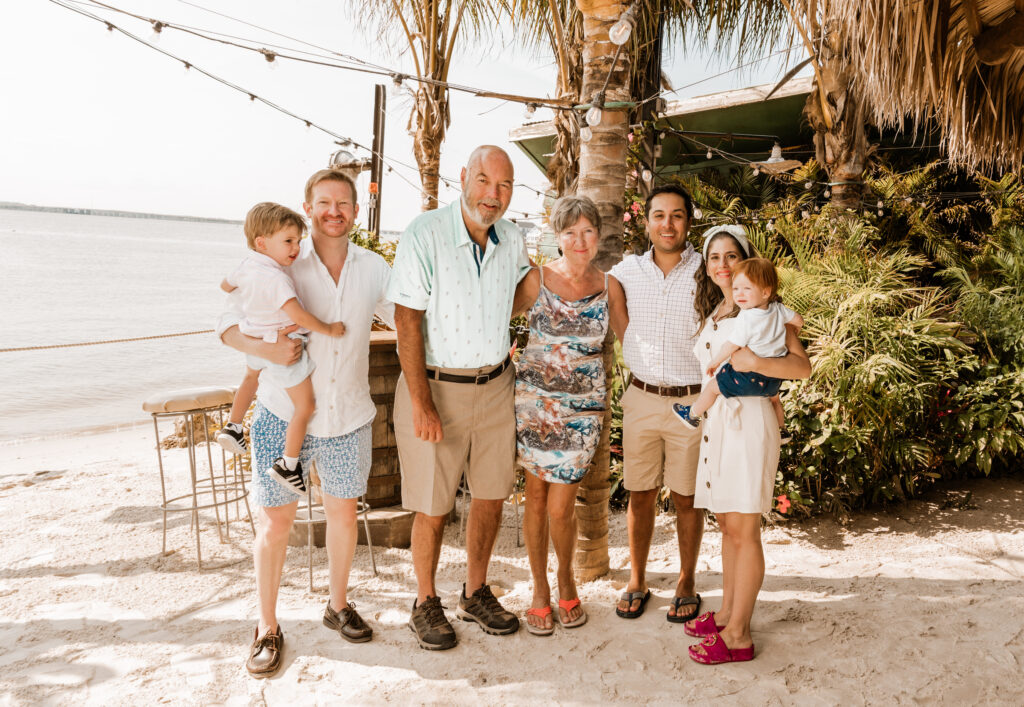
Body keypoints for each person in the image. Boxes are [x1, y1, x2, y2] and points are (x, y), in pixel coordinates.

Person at [217, 169, 394, 678]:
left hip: (351, 414)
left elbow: (409, 313)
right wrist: (263, 347)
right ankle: (267, 626)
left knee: (342, 516)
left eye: (343, 203)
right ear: (308, 206)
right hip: (279, 411)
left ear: (356, 212)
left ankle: (337, 606)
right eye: (323, 202)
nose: (333, 210)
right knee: (275, 525)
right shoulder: (281, 260)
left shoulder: (375, 267)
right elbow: (224, 324)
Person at [388, 145, 530, 650]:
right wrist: (421, 403)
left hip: (496, 386)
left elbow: (523, 290)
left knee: (491, 496)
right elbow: (407, 320)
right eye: (485, 181)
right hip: (436, 387)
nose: (494, 195)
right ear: (463, 178)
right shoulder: (424, 233)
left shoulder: (512, 239)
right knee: (431, 506)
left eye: (506, 185)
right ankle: (425, 601)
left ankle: (474, 591)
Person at [683, 226, 810, 665]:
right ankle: (725, 613)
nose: (723, 264)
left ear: (746, 260)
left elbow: (801, 367)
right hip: (719, 424)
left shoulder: (766, 310)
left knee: (745, 529)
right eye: (714, 257)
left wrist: (756, 362)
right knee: (728, 527)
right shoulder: (719, 311)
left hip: (749, 421)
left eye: (731, 255)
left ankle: (738, 635)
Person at [510, 195, 628, 636]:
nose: (580, 241)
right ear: (556, 237)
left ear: (599, 236)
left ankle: (566, 577)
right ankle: (540, 589)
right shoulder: (536, 280)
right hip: (535, 405)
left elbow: (631, 341)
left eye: (588, 231)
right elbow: (496, 317)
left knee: (561, 506)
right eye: (570, 232)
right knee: (536, 500)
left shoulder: (610, 286)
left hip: (583, 410)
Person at [608, 183, 707, 624]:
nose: (668, 224)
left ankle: (686, 581)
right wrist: (631, 343)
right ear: (646, 222)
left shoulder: (708, 269)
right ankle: (638, 580)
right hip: (643, 397)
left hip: (691, 402)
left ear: (689, 220)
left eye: (677, 215)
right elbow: (615, 307)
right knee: (640, 494)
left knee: (687, 498)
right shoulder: (626, 272)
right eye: (659, 215)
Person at [215, 202, 347, 496]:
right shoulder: (275, 279)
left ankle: (233, 427)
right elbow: (298, 316)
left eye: (298, 241)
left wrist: (252, 301)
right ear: (261, 242)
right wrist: (329, 328)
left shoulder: (247, 266)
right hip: (281, 348)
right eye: (288, 241)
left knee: (250, 379)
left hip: (255, 337)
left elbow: (226, 286)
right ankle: (288, 464)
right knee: (305, 407)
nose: (295, 248)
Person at [673, 254, 803, 429]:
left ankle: (692, 414)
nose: (739, 294)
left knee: (713, 387)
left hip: (747, 377)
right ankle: (782, 429)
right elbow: (798, 320)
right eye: (736, 289)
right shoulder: (778, 310)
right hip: (772, 378)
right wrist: (796, 329)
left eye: (746, 289)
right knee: (774, 399)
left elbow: (732, 344)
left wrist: (715, 361)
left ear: (765, 292)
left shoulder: (747, 317)